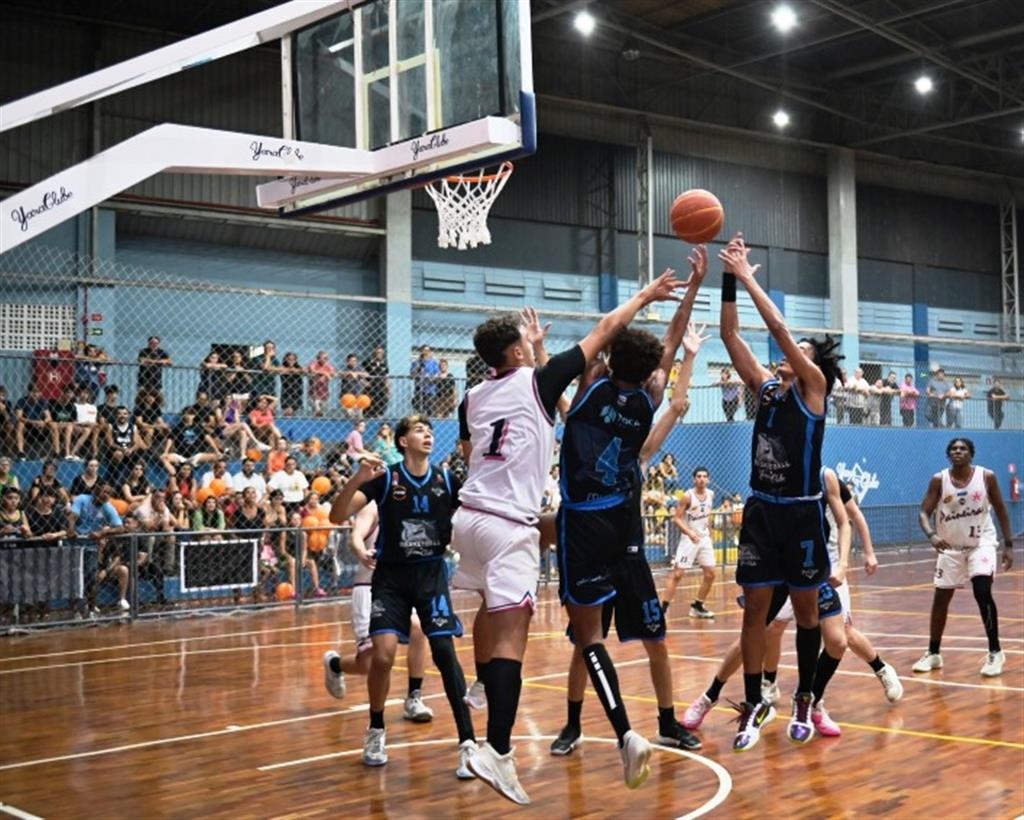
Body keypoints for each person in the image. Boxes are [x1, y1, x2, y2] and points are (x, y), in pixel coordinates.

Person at [451, 270, 687, 805]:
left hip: (469, 516)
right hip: (524, 521)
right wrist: (649, 294)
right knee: (518, 630)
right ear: (515, 350)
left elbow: (469, 453)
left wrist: (534, 350)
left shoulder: (471, 396)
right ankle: (499, 751)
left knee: (493, 606)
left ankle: (482, 685)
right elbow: (608, 329)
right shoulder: (548, 383)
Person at [547, 312, 708, 766]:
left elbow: (611, 359)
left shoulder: (606, 411)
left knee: (628, 639)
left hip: (619, 542)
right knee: (592, 641)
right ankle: (573, 723)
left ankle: (666, 722)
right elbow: (672, 380)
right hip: (610, 533)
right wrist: (688, 344)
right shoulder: (641, 417)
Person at [718, 232, 843, 751]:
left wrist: (749, 277)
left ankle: (806, 696)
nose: (787, 353)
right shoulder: (768, 389)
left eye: (799, 350)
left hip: (802, 516)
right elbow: (731, 336)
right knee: (754, 612)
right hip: (763, 513)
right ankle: (754, 704)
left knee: (809, 615)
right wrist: (727, 277)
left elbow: (777, 327)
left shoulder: (813, 389)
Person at [682, 468, 903, 735]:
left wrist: (851, 560)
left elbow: (849, 520)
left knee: (839, 639)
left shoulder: (825, 477)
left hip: (821, 569)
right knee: (757, 635)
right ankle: (711, 696)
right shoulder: (774, 479)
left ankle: (815, 701)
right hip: (781, 569)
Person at [328, 415, 477, 776]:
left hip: (430, 575)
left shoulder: (445, 479)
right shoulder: (386, 479)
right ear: (401, 441)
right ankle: (376, 728)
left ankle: (469, 744)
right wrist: (358, 479)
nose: (427, 434)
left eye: (429, 430)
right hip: (391, 579)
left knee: (444, 652)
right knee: (382, 655)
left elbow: (472, 516)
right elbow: (336, 514)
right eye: (418, 430)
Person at [322, 500, 434, 722]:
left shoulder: (416, 504)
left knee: (419, 628)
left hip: (401, 587)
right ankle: (335, 664)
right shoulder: (373, 506)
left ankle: (414, 697)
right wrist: (362, 551)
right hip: (370, 589)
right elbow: (355, 537)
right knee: (369, 664)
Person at [912, 437, 1014, 677]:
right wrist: (931, 535)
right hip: (951, 547)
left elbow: (1000, 509)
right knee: (941, 599)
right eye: (954, 449)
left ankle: (995, 652)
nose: (958, 451)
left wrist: (1008, 545)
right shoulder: (939, 480)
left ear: (971, 454)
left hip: (981, 543)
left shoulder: (986, 477)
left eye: (963, 448)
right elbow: (923, 512)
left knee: (982, 591)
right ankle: (934, 653)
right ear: (948, 455)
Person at [661, 466, 716, 618]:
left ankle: (698, 606)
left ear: (708, 479)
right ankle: (663, 609)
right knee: (678, 574)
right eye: (698, 476)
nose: (702, 479)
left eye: (705, 476)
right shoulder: (687, 496)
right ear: (694, 479)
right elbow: (677, 518)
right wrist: (690, 533)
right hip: (689, 539)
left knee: (711, 573)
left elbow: (707, 515)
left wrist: (709, 534)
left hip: (704, 539)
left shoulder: (711, 494)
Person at [363, 345, 390, 418]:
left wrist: (388, 389)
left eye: (381, 353)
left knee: (382, 406)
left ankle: (379, 417)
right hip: (371, 388)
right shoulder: (368, 362)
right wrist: (365, 383)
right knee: (369, 408)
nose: (379, 354)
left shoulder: (384, 364)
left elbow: (386, 377)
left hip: (381, 388)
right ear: (374, 353)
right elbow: (362, 373)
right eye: (377, 352)